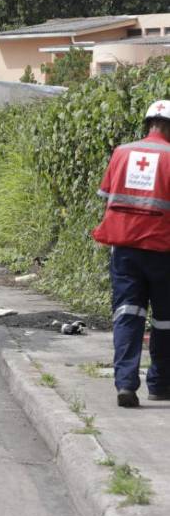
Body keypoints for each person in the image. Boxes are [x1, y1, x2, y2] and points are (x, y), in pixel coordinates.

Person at [92, 100, 170, 408]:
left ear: (148, 123)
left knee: (127, 314)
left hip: (123, 249)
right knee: (165, 321)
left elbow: (107, 199)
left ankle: (125, 383)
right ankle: (160, 385)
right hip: (163, 252)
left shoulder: (122, 152)